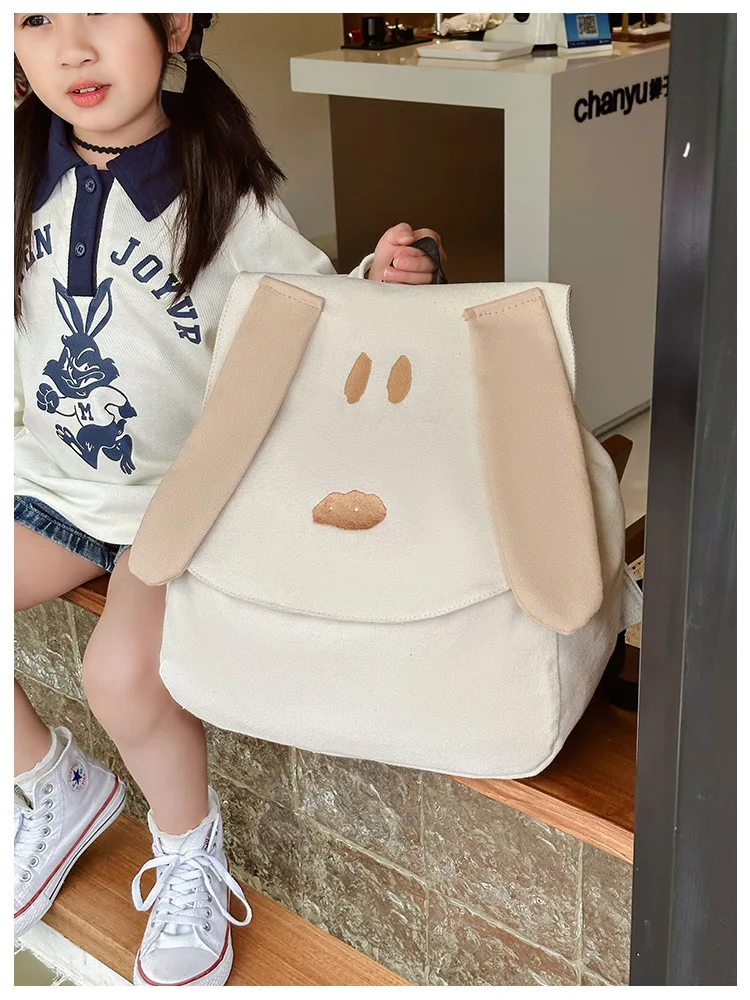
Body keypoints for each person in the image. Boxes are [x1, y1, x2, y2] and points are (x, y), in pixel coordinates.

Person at [13, 13, 446, 987]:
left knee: (121, 675)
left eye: (101, 10)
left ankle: (187, 850)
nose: (71, 47)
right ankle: (51, 784)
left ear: (173, 24)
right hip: (55, 485)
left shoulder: (221, 192)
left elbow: (310, 313)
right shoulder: (19, 172)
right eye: (35, 17)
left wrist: (378, 279)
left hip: (180, 499)